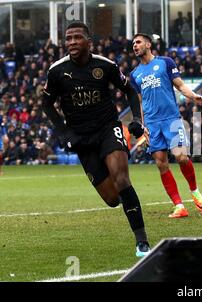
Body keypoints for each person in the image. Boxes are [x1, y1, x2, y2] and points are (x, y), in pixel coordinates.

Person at [42, 22, 151, 257]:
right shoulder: (57, 71)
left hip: (107, 128)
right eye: (68, 38)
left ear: (88, 41)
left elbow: (130, 91)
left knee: (121, 178)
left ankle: (142, 241)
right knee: (112, 199)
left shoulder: (105, 66)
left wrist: (137, 121)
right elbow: (47, 104)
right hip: (82, 138)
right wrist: (64, 132)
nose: (71, 42)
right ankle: (127, 203)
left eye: (77, 38)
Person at [131, 33, 202, 218]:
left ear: (148, 44)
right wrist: (142, 126)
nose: (135, 45)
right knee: (161, 163)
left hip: (171, 119)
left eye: (138, 42)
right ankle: (179, 206)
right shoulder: (134, 75)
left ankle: (194, 190)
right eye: (133, 43)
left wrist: (193, 96)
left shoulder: (165, 62)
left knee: (181, 157)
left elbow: (180, 85)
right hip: (151, 123)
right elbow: (140, 103)